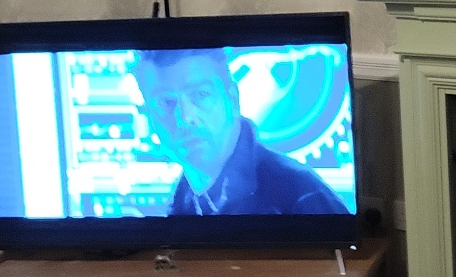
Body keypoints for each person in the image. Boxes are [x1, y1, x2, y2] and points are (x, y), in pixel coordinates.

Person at [129, 48, 345, 217]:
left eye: (201, 94)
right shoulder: (182, 201)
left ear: (232, 99)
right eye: (166, 103)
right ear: (148, 115)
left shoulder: (302, 197)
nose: (185, 117)